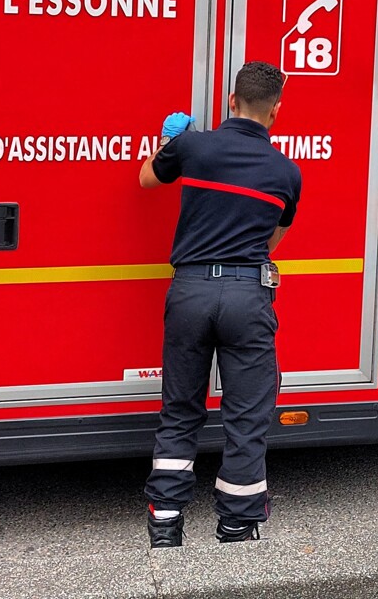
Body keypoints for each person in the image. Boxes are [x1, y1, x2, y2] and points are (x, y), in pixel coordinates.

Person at [137, 61, 302, 548]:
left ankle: (165, 522)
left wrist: (169, 142)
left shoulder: (194, 146)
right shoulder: (286, 173)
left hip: (188, 292)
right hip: (247, 295)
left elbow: (148, 179)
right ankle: (237, 523)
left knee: (181, 409)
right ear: (276, 111)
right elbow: (273, 239)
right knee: (246, 415)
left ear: (231, 101)